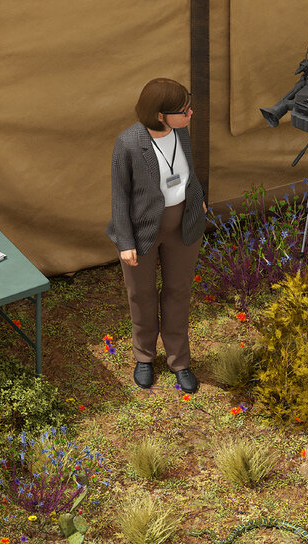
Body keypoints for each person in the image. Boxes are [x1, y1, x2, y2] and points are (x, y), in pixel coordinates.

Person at [106, 78, 207, 393]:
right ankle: (144, 357)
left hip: (183, 223)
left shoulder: (182, 133)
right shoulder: (128, 143)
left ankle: (179, 360)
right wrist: (125, 242)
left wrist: (197, 198)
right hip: (141, 229)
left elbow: (188, 170)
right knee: (142, 294)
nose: (190, 113)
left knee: (178, 291)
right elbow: (119, 196)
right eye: (183, 110)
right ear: (160, 115)